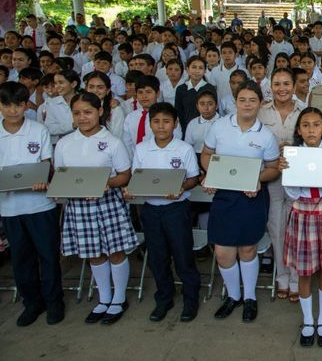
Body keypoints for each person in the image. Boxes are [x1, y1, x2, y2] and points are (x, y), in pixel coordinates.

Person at [201, 81, 281, 322]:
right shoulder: (220, 127)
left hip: (251, 196)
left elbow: (273, 168)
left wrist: (258, 180)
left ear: (260, 103)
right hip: (224, 196)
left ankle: (249, 298)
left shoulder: (265, 135)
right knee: (223, 252)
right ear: (235, 102)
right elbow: (206, 154)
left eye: (252, 100)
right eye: (242, 100)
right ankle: (233, 296)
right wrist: (211, 174)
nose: (247, 104)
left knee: (247, 249)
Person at [55, 92, 138, 324]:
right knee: (93, 254)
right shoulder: (64, 143)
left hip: (107, 203)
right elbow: (61, 175)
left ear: (100, 112)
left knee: (115, 251)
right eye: (77, 113)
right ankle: (104, 298)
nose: (83, 118)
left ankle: (119, 299)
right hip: (79, 207)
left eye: (88, 112)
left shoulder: (112, 142)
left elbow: (124, 175)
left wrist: (106, 184)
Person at [124, 102, 201, 322]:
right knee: (157, 258)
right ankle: (164, 299)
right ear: (150, 124)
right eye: (156, 121)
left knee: (183, 256)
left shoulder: (183, 148)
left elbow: (193, 178)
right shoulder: (141, 148)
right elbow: (136, 178)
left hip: (177, 209)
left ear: (175, 124)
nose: (161, 126)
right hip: (150, 210)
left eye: (166, 121)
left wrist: (181, 188)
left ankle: (190, 299)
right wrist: (131, 190)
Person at [279, 107, 322, 347]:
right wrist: (288, 172)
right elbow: (292, 193)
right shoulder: (293, 155)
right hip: (302, 216)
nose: (311, 129)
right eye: (305, 125)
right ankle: (308, 320)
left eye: (316, 124)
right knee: (305, 272)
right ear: (299, 129)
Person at [0, 82, 64, 326]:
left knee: (48, 256)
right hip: (10, 206)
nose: (12, 111)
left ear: (26, 105)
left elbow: (46, 162)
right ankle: (32, 303)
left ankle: (53, 302)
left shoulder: (38, 130)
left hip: (40, 205)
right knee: (21, 258)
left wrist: (42, 179)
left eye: (18, 105)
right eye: (7, 105)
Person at [257, 68, 305, 301]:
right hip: (273, 177)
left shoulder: (304, 110)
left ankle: (297, 278)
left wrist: (294, 148)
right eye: (277, 84)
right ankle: (282, 277)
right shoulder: (261, 112)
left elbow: (314, 141)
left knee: (296, 230)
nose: (282, 88)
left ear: (294, 86)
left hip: (299, 179)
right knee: (276, 228)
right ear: (270, 87)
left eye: (286, 83)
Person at [175, 56, 215, 133]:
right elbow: (179, 112)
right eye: (194, 67)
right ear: (187, 69)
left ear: (204, 71)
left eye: (200, 68)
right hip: (186, 129)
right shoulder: (181, 89)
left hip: (206, 129)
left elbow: (213, 112)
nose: (197, 71)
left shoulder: (210, 88)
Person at [84, 71, 125, 139]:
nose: (95, 90)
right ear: (86, 89)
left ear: (108, 90)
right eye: (91, 87)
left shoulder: (115, 110)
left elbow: (117, 137)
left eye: (100, 87)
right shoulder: (81, 107)